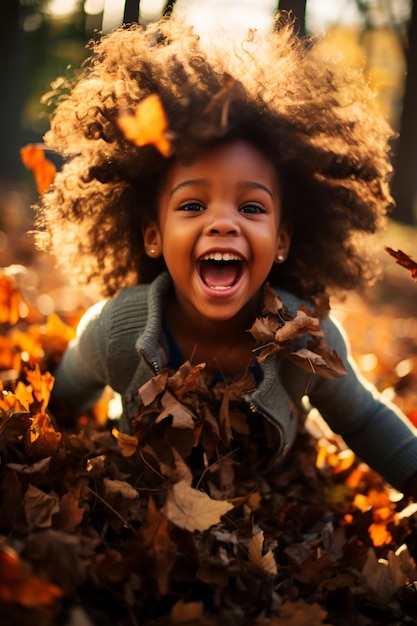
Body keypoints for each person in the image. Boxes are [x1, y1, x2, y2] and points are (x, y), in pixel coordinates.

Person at [37, 15, 417, 497]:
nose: (223, 222)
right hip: (144, 506)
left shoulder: (306, 342)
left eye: (251, 207)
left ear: (281, 241)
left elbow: (364, 419)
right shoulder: (116, 329)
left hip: (270, 523)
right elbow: (61, 404)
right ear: (153, 234)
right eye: (193, 205)